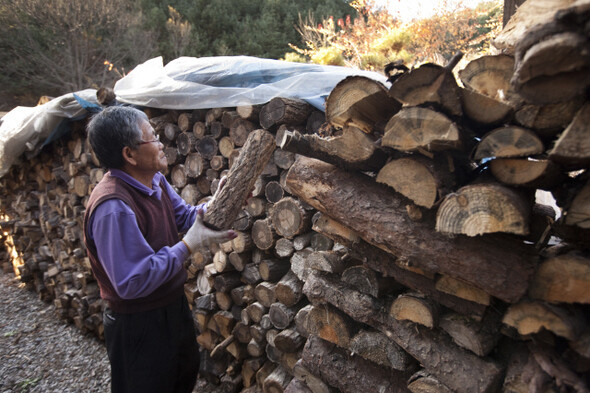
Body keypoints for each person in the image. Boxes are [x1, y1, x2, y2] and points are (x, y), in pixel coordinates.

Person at [83, 106, 237, 393]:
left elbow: (185, 216)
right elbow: (132, 281)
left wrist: (220, 200)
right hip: (138, 324)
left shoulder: (153, 179)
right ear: (129, 154)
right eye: (153, 137)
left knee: (181, 379)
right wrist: (189, 245)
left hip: (171, 308)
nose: (161, 144)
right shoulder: (114, 207)